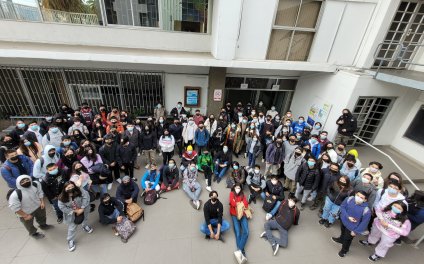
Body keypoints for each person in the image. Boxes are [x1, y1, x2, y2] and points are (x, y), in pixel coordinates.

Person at [8, 175, 53, 239]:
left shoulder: (36, 184)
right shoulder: (15, 195)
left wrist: (42, 202)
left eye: (27, 180)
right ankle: (33, 233)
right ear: (18, 183)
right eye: (22, 181)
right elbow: (15, 208)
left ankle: (43, 225)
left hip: (38, 206)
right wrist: (25, 215)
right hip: (25, 212)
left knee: (42, 217)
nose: (25, 182)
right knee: (28, 224)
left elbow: (40, 192)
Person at [332, 191, 371, 258]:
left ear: (365, 200)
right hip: (344, 220)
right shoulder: (349, 199)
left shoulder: (366, 210)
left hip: (352, 228)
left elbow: (364, 223)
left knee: (347, 240)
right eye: (358, 195)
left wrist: (356, 231)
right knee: (343, 232)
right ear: (355, 194)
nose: (358, 198)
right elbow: (342, 207)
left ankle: (344, 250)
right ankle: (341, 239)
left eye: (361, 197)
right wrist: (347, 216)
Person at [58, 181, 93, 252]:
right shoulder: (61, 198)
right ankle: (70, 240)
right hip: (72, 214)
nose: (71, 188)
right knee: (72, 227)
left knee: (85, 218)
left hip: (84, 208)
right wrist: (76, 211)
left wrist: (82, 208)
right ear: (64, 189)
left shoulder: (79, 190)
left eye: (72, 186)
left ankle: (85, 226)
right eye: (68, 187)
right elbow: (62, 207)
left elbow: (86, 197)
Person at [229, 183, 249, 263]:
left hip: (242, 214)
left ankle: (239, 250)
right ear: (234, 188)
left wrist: (238, 203)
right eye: (237, 188)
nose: (238, 189)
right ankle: (242, 252)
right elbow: (232, 203)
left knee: (246, 232)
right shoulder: (231, 193)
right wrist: (240, 203)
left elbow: (246, 204)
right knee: (238, 233)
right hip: (234, 214)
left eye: (239, 188)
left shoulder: (242, 194)